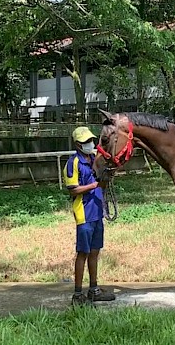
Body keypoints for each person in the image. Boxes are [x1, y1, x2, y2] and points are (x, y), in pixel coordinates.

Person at [63, 126, 116, 306]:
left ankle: (94, 289)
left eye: (90, 141)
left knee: (95, 252)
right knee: (82, 253)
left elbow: (102, 179)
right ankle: (78, 294)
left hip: (97, 212)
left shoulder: (94, 159)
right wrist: (96, 186)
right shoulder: (73, 163)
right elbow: (73, 190)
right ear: (78, 144)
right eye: (86, 142)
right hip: (84, 214)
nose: (90, 144)